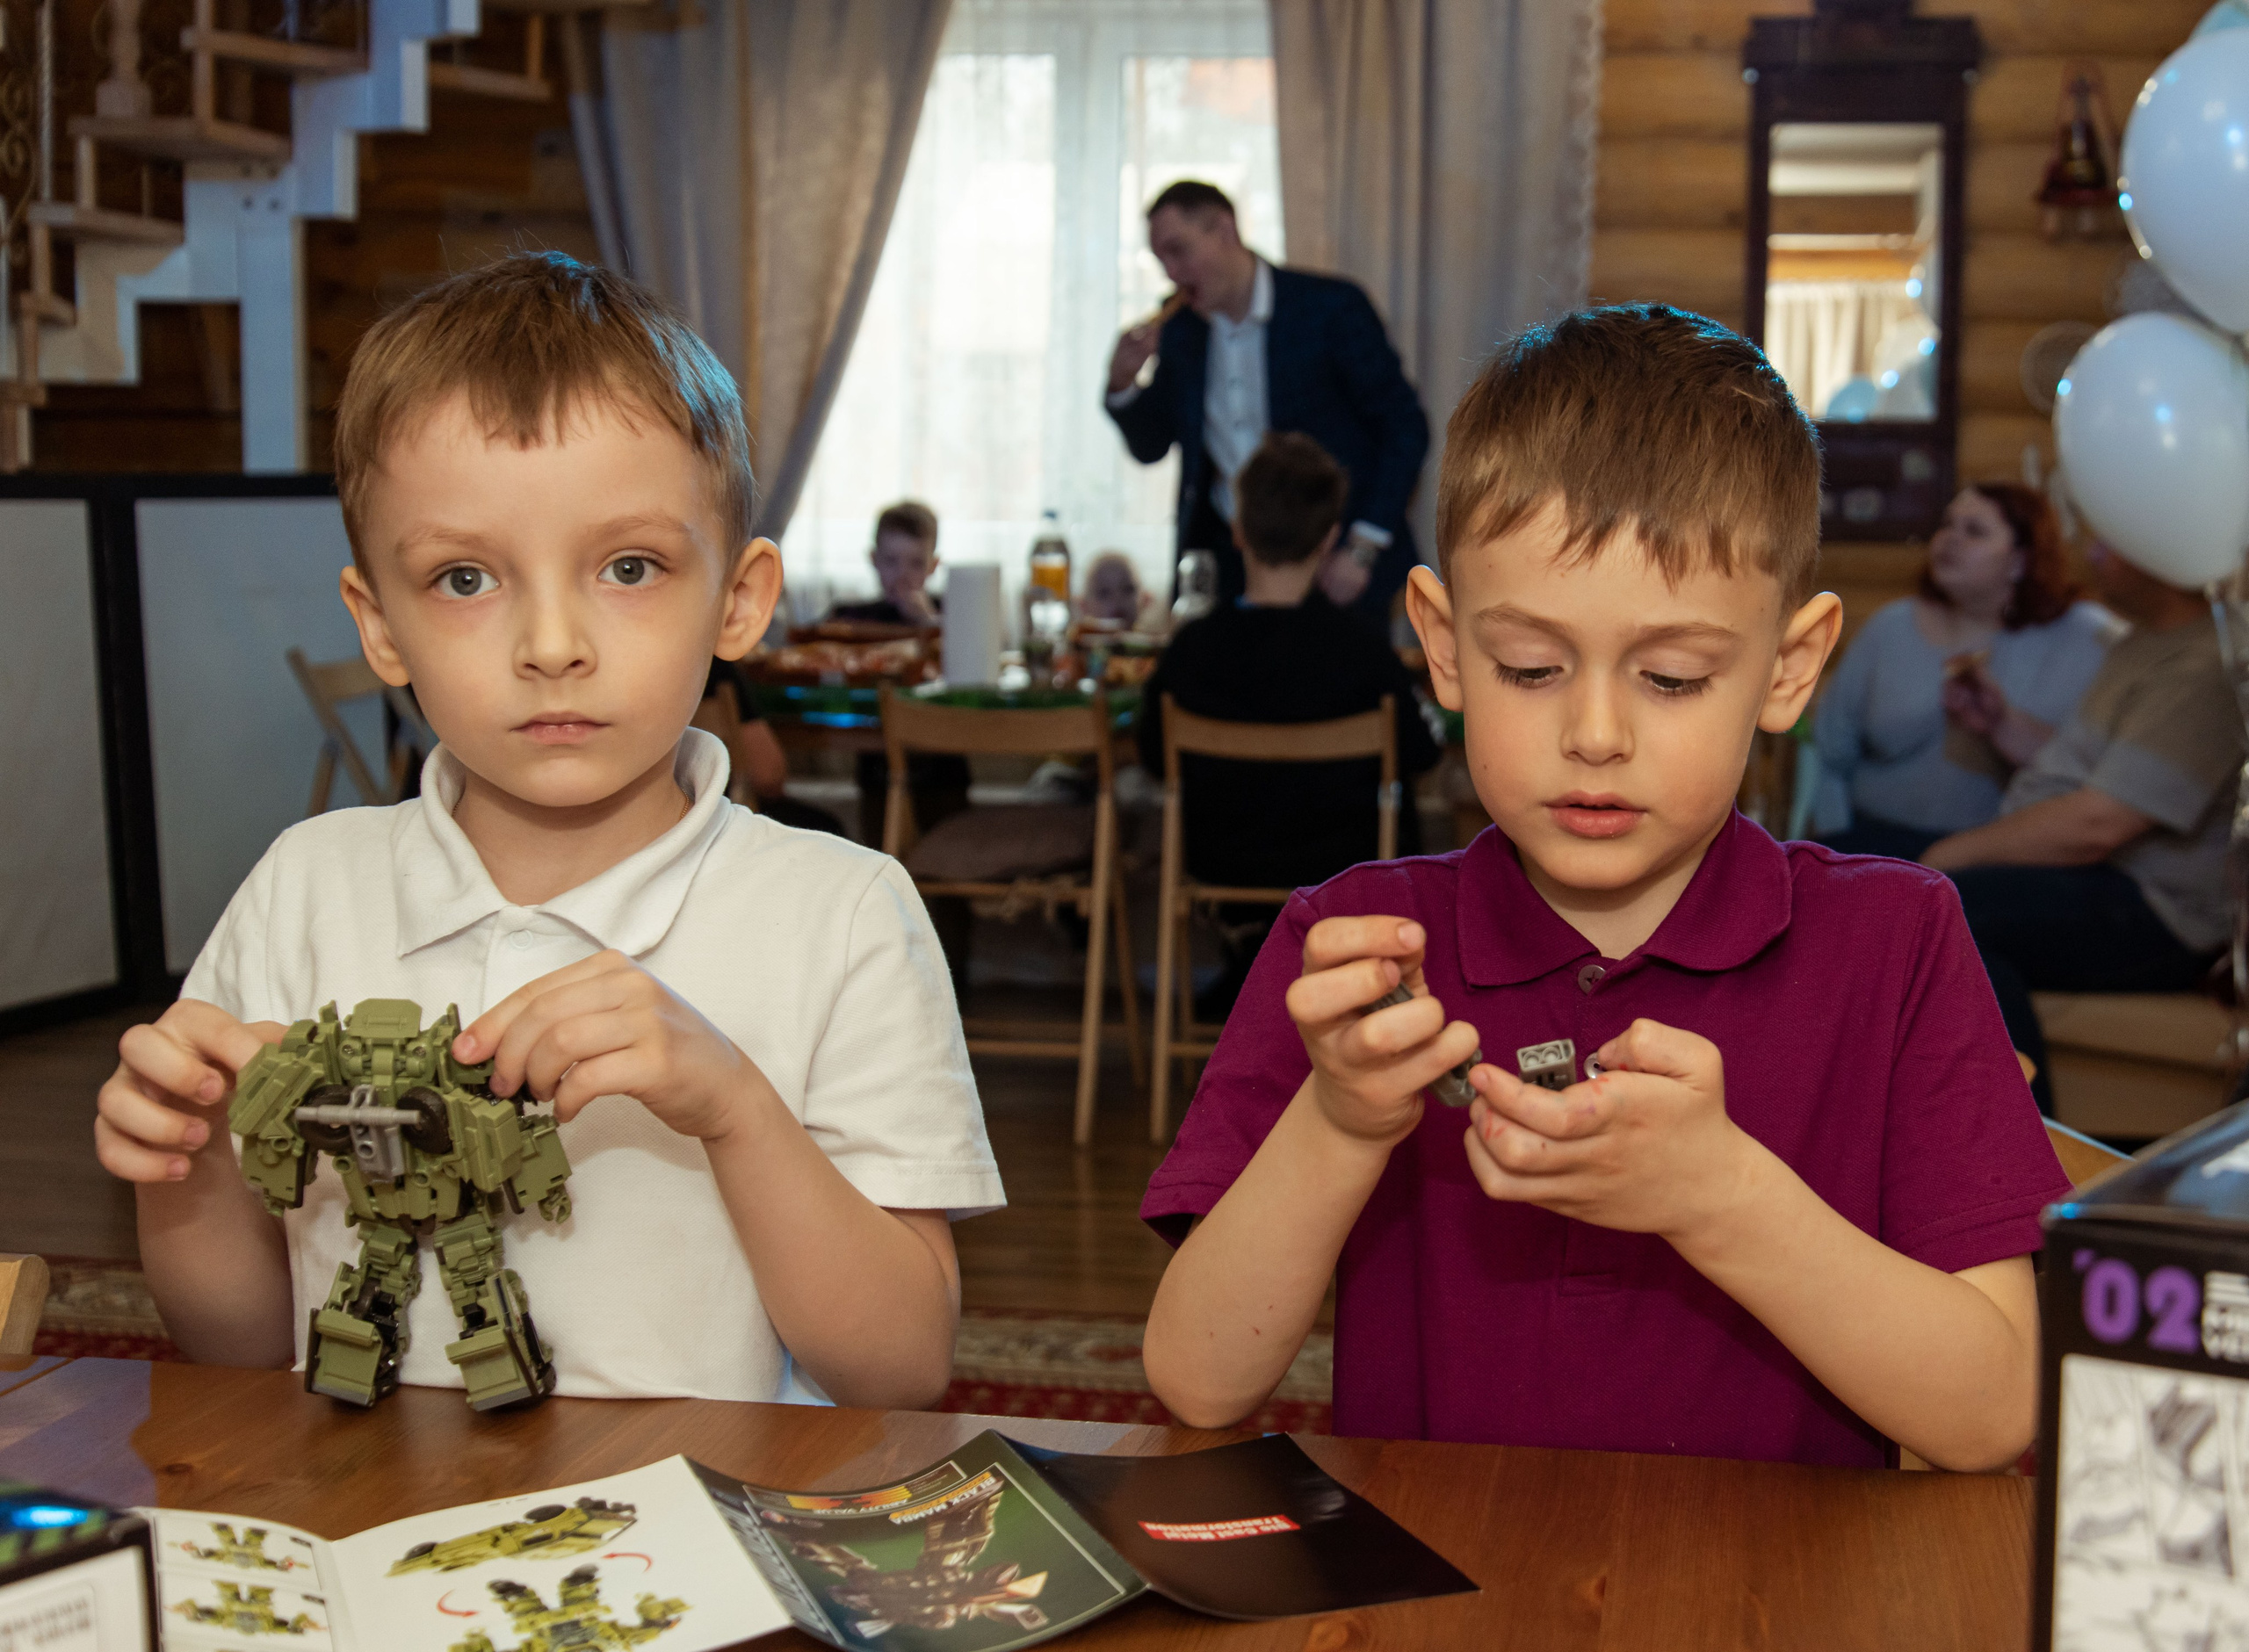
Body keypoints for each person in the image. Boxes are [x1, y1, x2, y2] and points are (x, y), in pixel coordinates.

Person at [1139, 305, 2067, 1472]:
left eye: (1671, 678)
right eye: (1530, 667)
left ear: (1788, 668)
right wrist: (1338, 1121)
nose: (1593, 733)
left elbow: (1992, 1414)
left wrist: (1720, 1196)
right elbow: (1198, 1379)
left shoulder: (1897, 940)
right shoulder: (1356, 951)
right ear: (1445, 647)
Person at [91, 253, 1002, 1407]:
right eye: (465, 579)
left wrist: (733, 1105)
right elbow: (239, 1344)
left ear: (739, 599)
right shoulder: (302, 887)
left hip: (702, 1513)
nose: (553, 644)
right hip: (371, 1503)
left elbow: (899, 1368)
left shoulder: (844, 913)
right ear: (380, 625)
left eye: (629, 566)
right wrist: (180, 1167)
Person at [1923, 537, 2244, 1114]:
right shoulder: (2143, 641)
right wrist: (2000, 724)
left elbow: (2100, 823)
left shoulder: (2208, 662)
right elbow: (2101, 771)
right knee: (1849, 858)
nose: (2091, 551)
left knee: (1945, 910)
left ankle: (2020, 1146)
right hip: (2098, 880)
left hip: (2158, 912)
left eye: (2112, 541)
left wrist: (1943, 858)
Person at [1136, 432, 1440, 1019]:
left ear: (1238, 531)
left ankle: (1251, 976)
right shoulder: (1362, 650)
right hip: (1343, 880)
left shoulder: (1193, 649)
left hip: (1221, 872)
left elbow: (1152, 754)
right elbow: (1422, 753)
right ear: (1329, 538)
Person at [1104, 180, 1430, 634]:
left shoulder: (1330, 309)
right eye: (1161, 261)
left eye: (1179, 251)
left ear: (1224, 230)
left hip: (1332, 560)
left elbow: (1404, 427)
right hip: (1229, 568)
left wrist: (1362, 548)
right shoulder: (1182, 331)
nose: (1172, 274)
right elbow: (1151, 445)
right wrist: (1122, 384)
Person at [1814, 482, 2113, 858]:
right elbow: (1829, 749)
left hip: (2001, 858)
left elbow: (2097, 771)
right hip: (1875, 841)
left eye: (1974, 531)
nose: (1950, 539)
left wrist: (2003, 724)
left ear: (2020, 562)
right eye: (1946, 525)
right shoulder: (1889, 628)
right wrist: (1832, 841)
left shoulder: (2085, 636)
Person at [829, 501, 941, 627]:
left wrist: (928, 620)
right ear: (874, 559)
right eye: (891, 561)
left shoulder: (951, 614)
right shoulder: (848, 618)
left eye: (916, 564)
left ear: (933, 565)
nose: (902, 575)